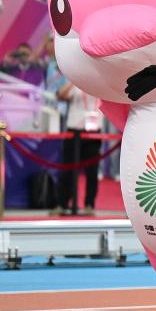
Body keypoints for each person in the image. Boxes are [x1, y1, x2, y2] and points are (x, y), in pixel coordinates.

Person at [57, 79, 103, 215]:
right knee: (68, 170)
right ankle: (63, 204)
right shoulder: (76, 83)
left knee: (92, 172)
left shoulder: (102, 84)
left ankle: (89, 205)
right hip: (74, 130)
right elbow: (61, 95)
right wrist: (74, 80)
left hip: (93, 131)